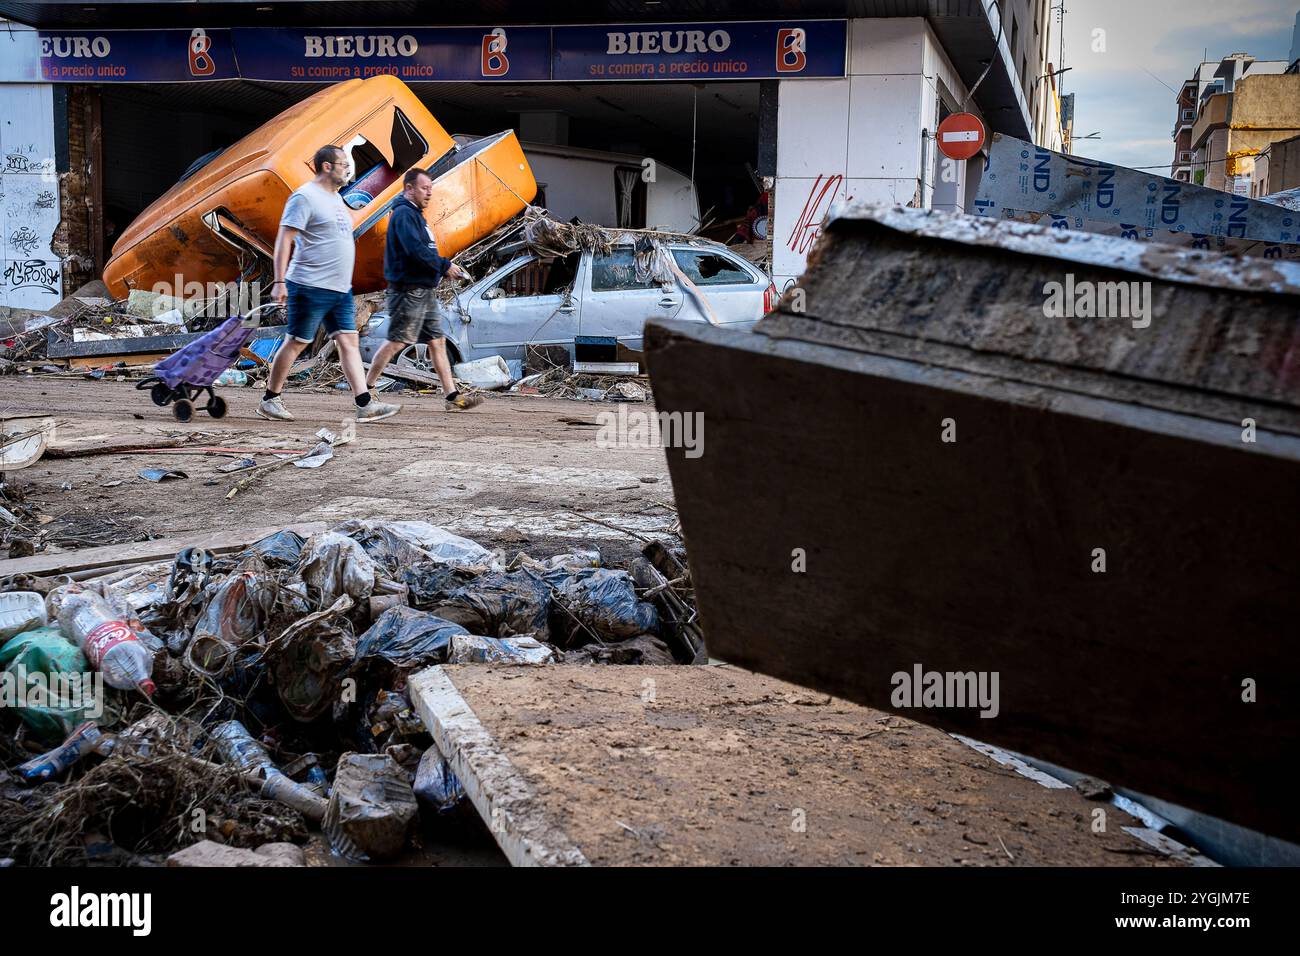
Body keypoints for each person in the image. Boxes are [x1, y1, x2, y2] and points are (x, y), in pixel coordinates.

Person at [258, 144, 401, 423]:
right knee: (297, 342)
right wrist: (279, 281)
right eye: (343, 164)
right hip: (309, 284)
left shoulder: (336, 198)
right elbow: (284, 240)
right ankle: (270, 400)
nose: (348, 168)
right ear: (327, 166)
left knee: (348, 341)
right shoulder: (305, 197)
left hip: (339, 288)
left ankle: (364, 404)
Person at [366, 166, 482, 410]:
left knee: (437, 341)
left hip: (422, 290)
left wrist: (442, 268)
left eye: (430, 188)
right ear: (409, 188)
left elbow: (424, 252)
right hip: (408, 291)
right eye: (424, 188)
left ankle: (452, 398)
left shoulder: (415, 215)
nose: (429, 193)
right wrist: (444, 266)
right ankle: (367, 389)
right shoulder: (403, 215)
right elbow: (414, 251)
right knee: (398, 341)